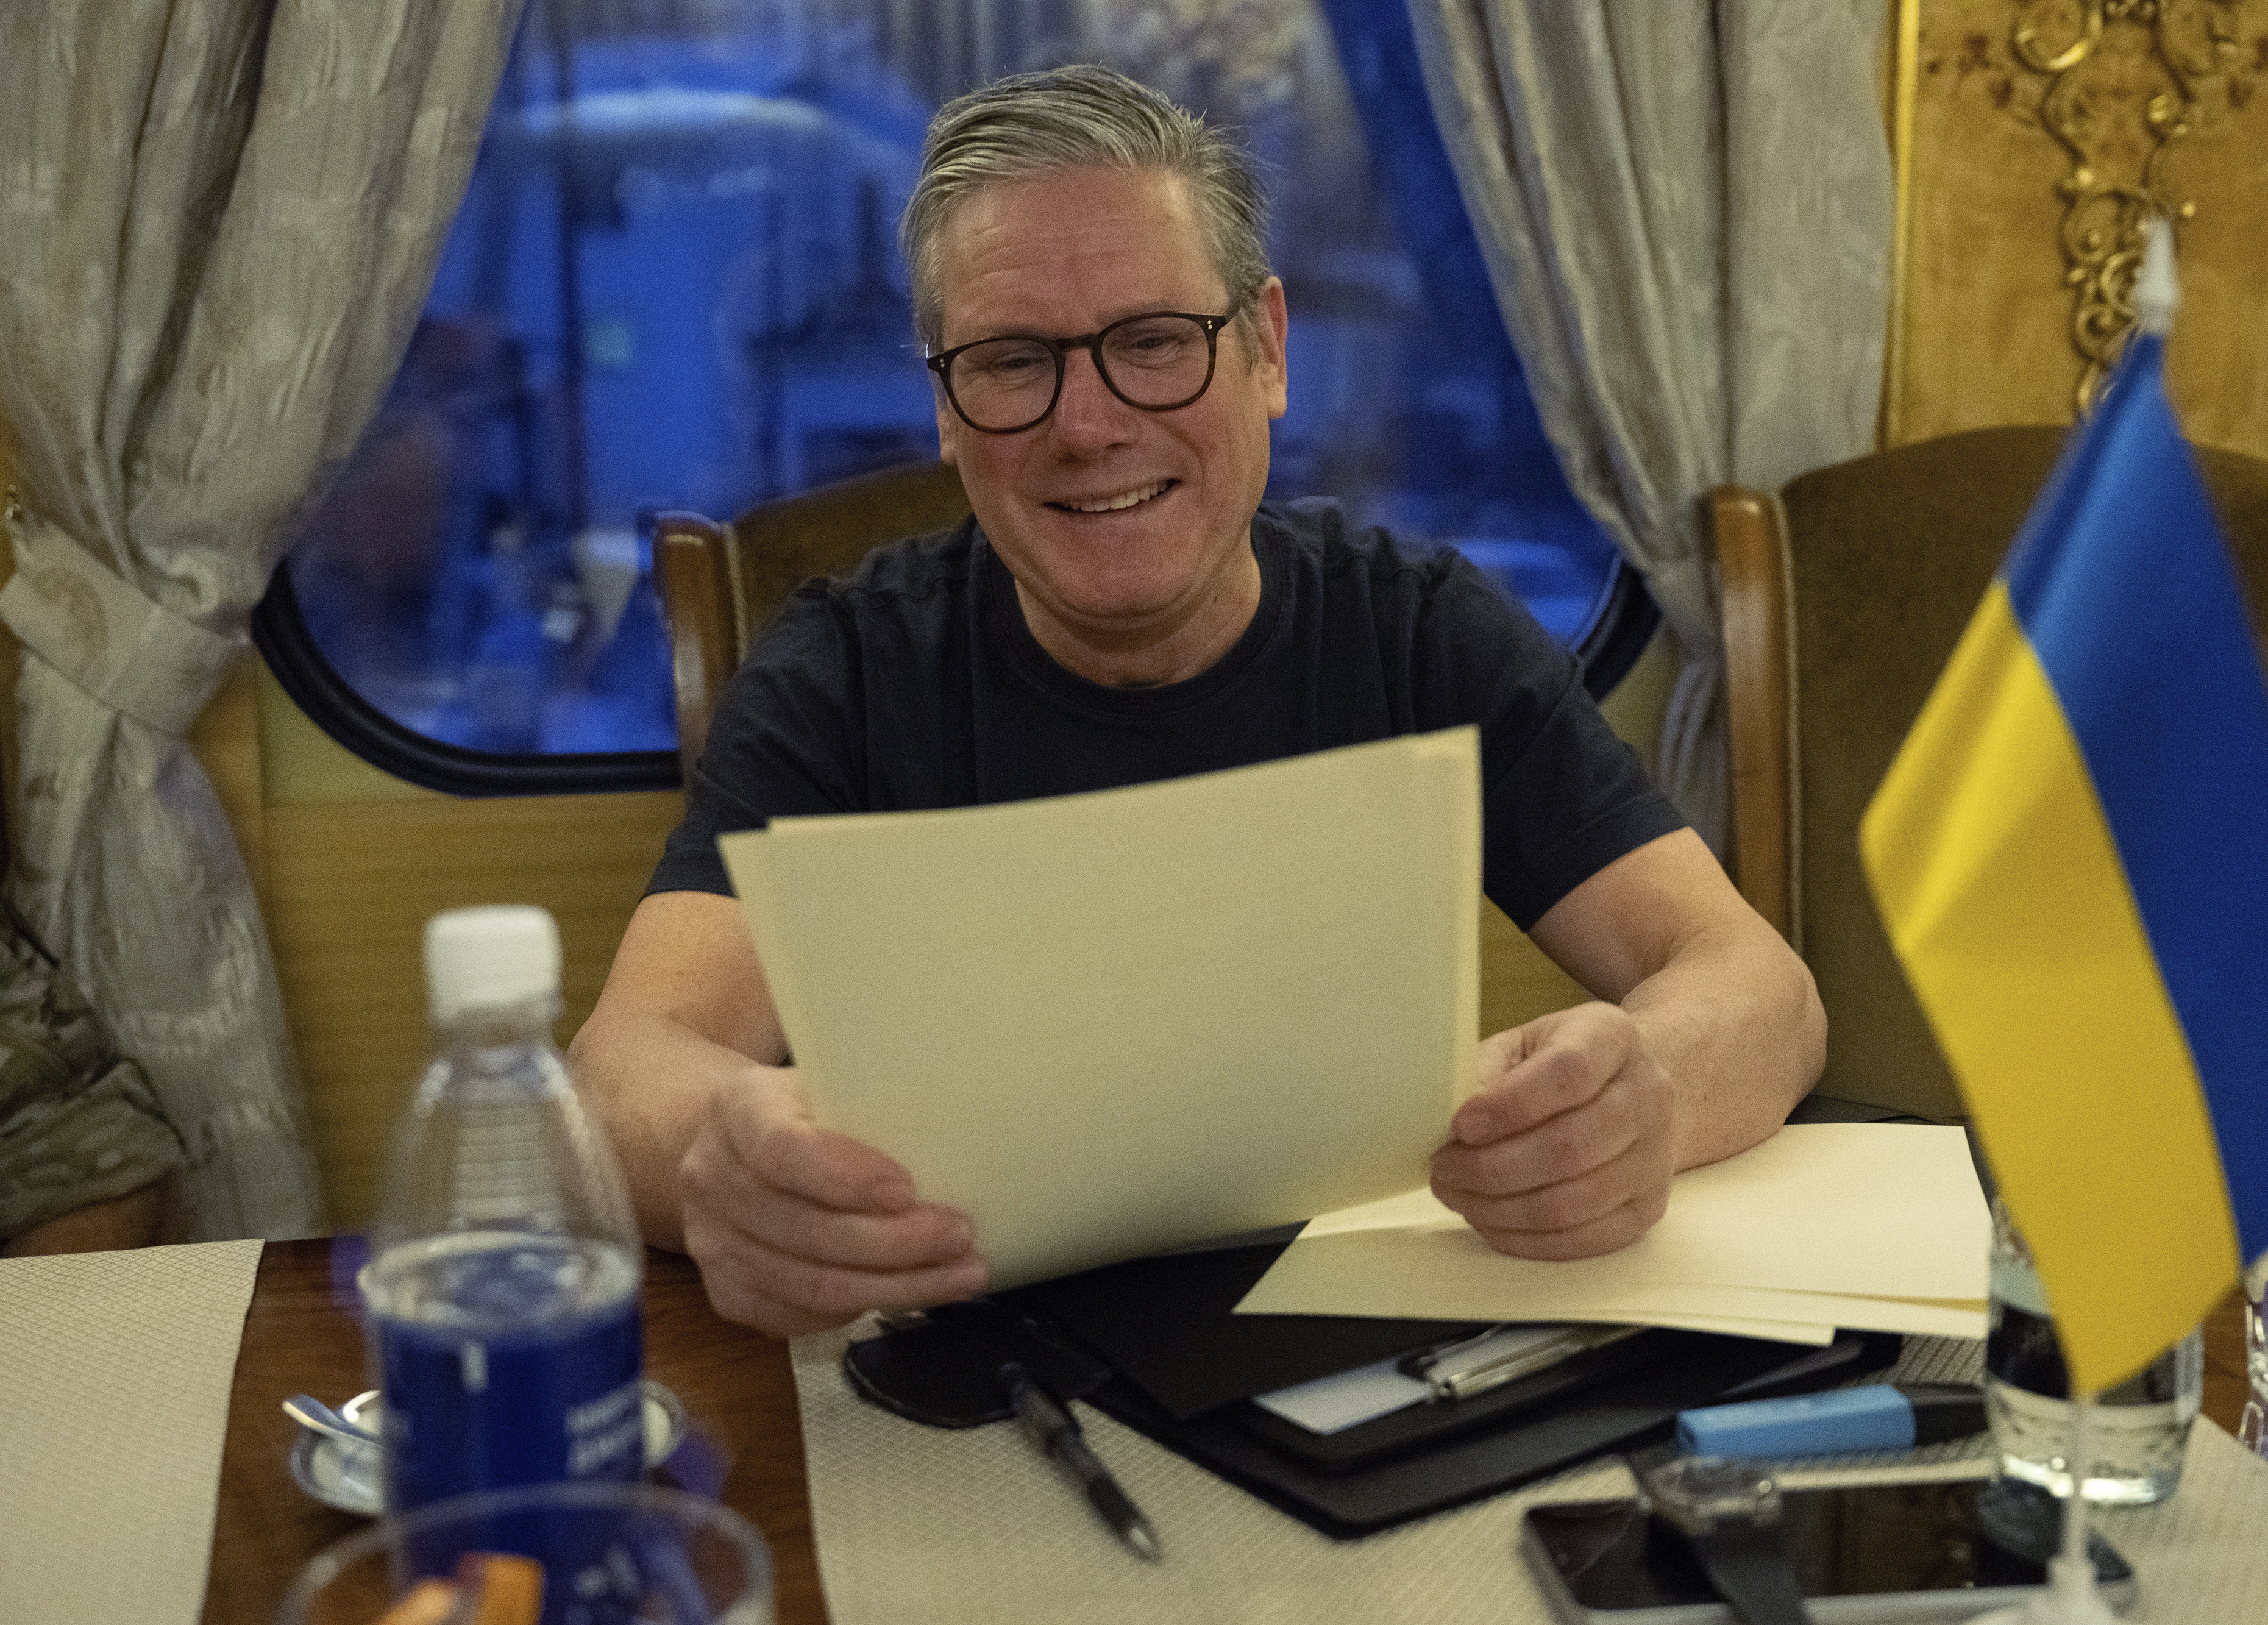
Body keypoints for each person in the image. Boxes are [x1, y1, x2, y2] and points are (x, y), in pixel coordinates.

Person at [569, 64, 1822, 1339]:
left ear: (1265, 350)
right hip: (971, 1369)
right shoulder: (841, 673)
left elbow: (1754, 984)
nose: (1090, 425)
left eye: (1153, 342)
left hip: (1349, 1348)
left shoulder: (1415, 633)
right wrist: (717, 1158)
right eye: (1011, 362)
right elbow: (623, 1067)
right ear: (945, 407)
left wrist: (1636, 1094)